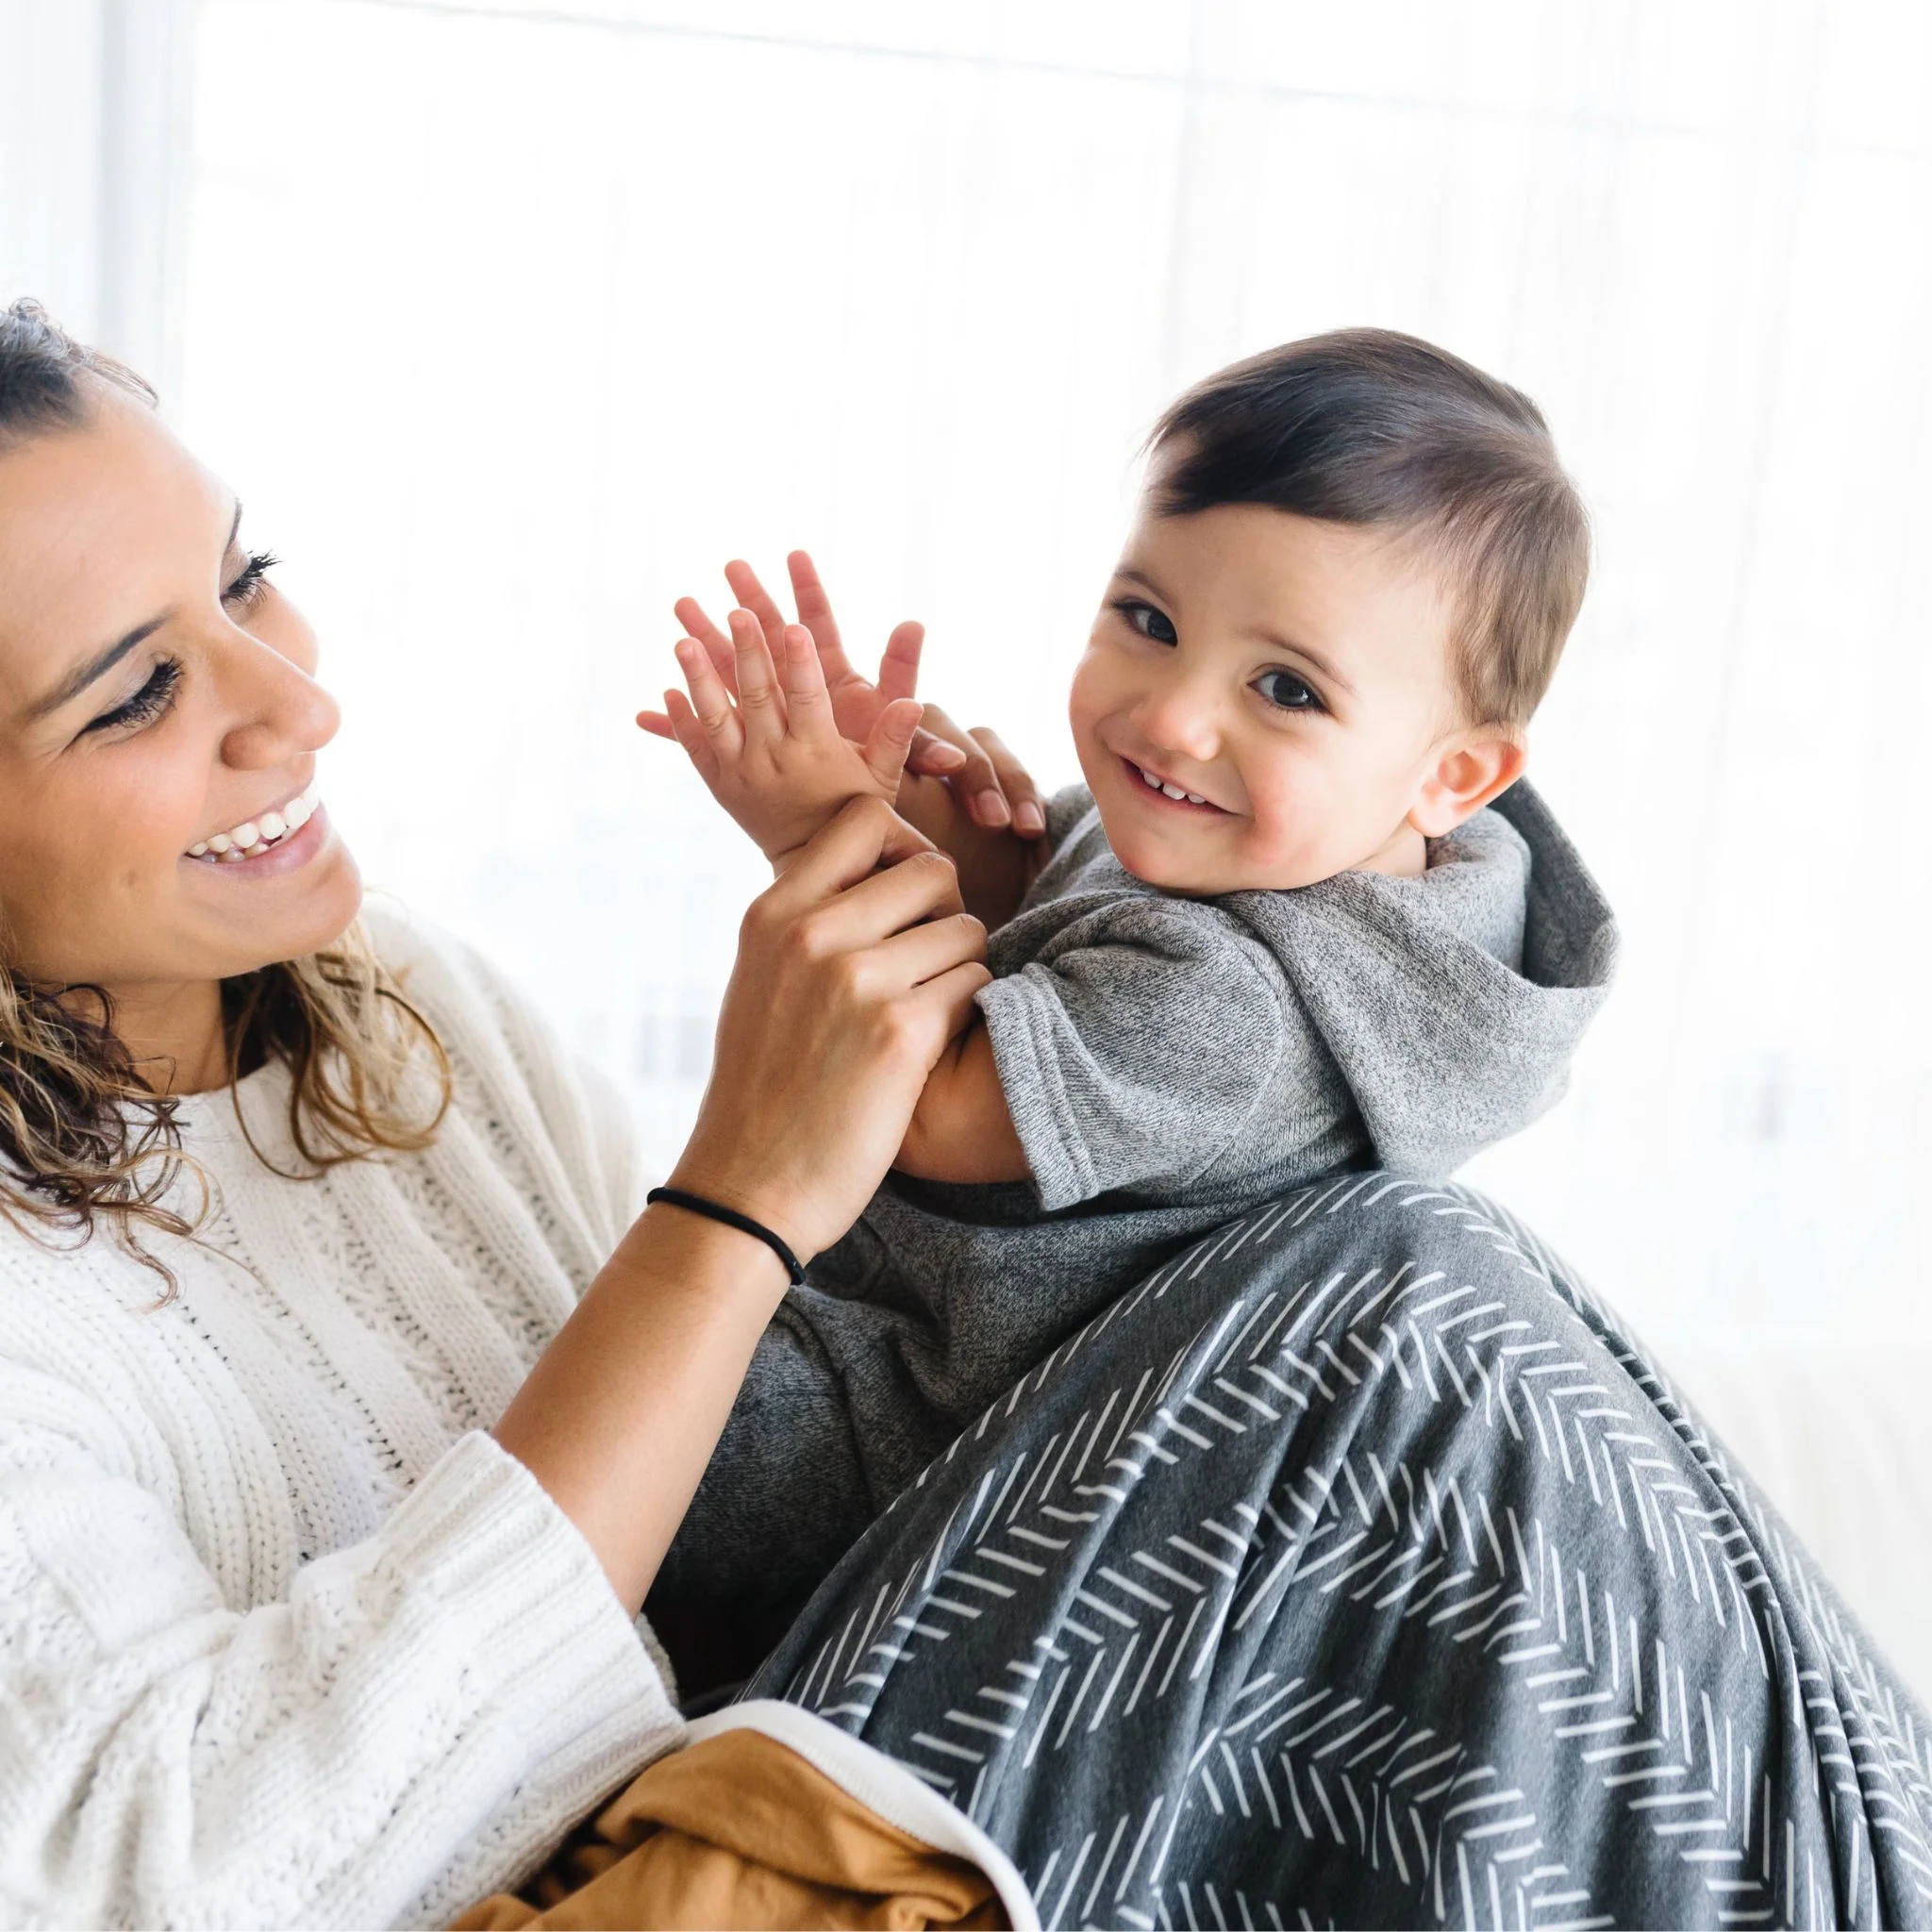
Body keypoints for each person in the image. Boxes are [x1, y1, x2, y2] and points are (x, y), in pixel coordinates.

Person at [5, 298, 1927, 1931]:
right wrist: (741, 1196)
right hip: (660, 1867)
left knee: (1444, 1358)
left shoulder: (390, 1002)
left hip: (788, 1766)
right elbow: (190, 1873)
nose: (295, 706)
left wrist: (911, 908)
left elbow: (764, 1398)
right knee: (1390, 1305)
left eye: (250, 574)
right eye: (135, 692)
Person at [643, 331, 1619, 1624]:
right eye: (1148, 621)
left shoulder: (1241, 1006)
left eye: (1285, 688)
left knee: (593, 1449)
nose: (1170, 716)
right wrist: (973, 857)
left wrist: (821, 839)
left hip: (922, 1454)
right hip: (908, 1340)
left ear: (1454, 776)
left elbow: (910, 1102)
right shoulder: (1275, 832)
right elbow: (1042, 956)